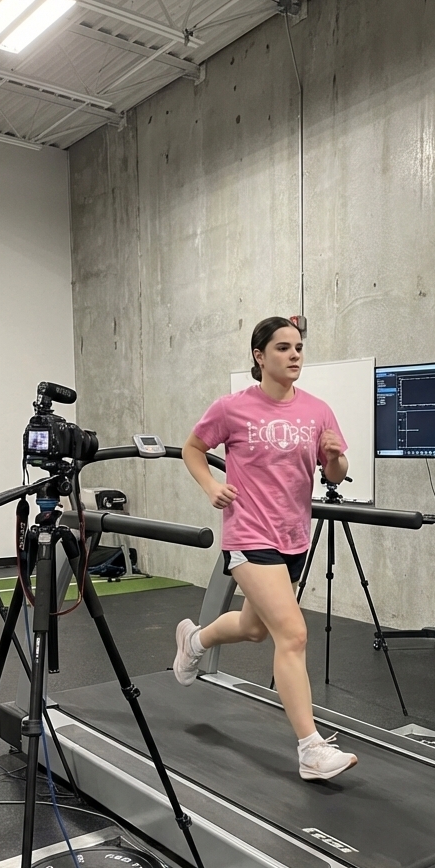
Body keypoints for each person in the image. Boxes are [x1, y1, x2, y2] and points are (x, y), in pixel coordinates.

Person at [172, 317, 358, 782]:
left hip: (294, 535)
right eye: (283, 348)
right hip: (249, 535)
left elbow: (333, 475)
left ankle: (195, 640)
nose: (295, 355)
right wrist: (210, 484)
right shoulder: (232, 409)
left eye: (298, 348)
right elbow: (192, 448)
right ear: (259, 356)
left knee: (256, 629)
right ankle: (311, 749)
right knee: (292, 634)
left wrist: (335, 457)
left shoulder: (317, 411)